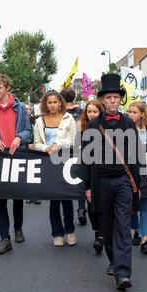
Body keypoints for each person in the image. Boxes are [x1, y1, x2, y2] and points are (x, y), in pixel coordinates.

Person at [83, 74, 141, 291]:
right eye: (108, 98)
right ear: (103, 101)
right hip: (100, 183)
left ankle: (123, 273)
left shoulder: (128, 123)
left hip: (124, 182)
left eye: (116, 97)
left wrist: (138, 186)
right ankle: (114, 261)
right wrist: (87, 186)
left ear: (120, 99)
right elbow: (86, 159)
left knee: (123, 227)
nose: (112, 101)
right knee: (106, 228)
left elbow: (136, 157)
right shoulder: (93, 125)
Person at [0, 74, 33, 255]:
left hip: (18, 156)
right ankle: (5, 238)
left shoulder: (19, 108)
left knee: (17, 196)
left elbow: (29, 131)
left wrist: (20, 138)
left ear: (8, 88)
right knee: (1, 200)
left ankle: (18, 227)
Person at [33, 90, 78, 247]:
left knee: (67, 198)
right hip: (48, 163)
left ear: (60, 103)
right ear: (45, 104)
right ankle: (57, 233)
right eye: (49, 102)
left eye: (55, 102)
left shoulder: (69, 118)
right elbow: (36, 142)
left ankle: (70, 231)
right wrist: (46, 148)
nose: (52, 105)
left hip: (65, 162)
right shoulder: (39, 121)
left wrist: (58, 145)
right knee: (53, 200)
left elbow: (74, 141)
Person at [127, 101, 147, 255]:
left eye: (134, 112)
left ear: (142, 114)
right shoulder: (124, 129)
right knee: (132, 207)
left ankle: (145, 240)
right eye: (129, 112)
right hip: (129, 174)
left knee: (145, 207)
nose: (131, 115)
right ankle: (136, 230)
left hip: (146, 173)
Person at [79, 100, 105, 253]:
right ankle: (97, 231)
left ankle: (101, 236)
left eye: (95, 111)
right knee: (91, 207)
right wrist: (87, 185)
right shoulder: (83, 130)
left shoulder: (106, 128)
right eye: (89, 111)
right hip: (90, 174)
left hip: (105, 173)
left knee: (103, 207)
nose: (92, 114)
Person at [61, 87, 88, 226]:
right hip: (81, 147)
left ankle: (69, 211)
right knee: (81, 180)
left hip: (65, 150)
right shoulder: (81, 113)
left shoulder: (61, 114)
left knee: (65, 180)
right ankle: (81, 208)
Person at [25, 103, 42, 206]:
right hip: (25, 149)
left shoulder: (36, 120)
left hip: (36, 149)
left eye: (29, 109)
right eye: (25, 109)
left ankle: (37, 196)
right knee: (27, 175)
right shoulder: (21, 121)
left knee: (36, 174)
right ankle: (29, 196)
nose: (27, 110)